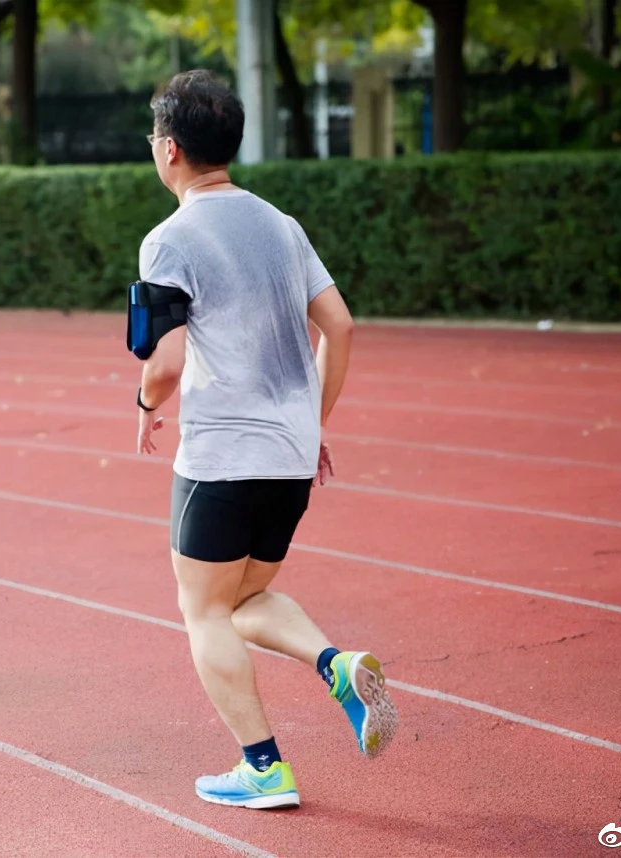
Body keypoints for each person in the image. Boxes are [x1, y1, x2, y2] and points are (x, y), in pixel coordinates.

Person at [133, 69, 398, 810]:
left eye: (155, 137)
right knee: (246, 596)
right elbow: (339, 325)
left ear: (172, 150)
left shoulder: (170, 239)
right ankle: (336, 665)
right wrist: (312, 419)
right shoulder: (282, 225)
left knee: (203, 610)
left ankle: (264, 768)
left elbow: (167, 361)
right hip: (287, 455)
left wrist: (144, 398)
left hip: (222, 455)